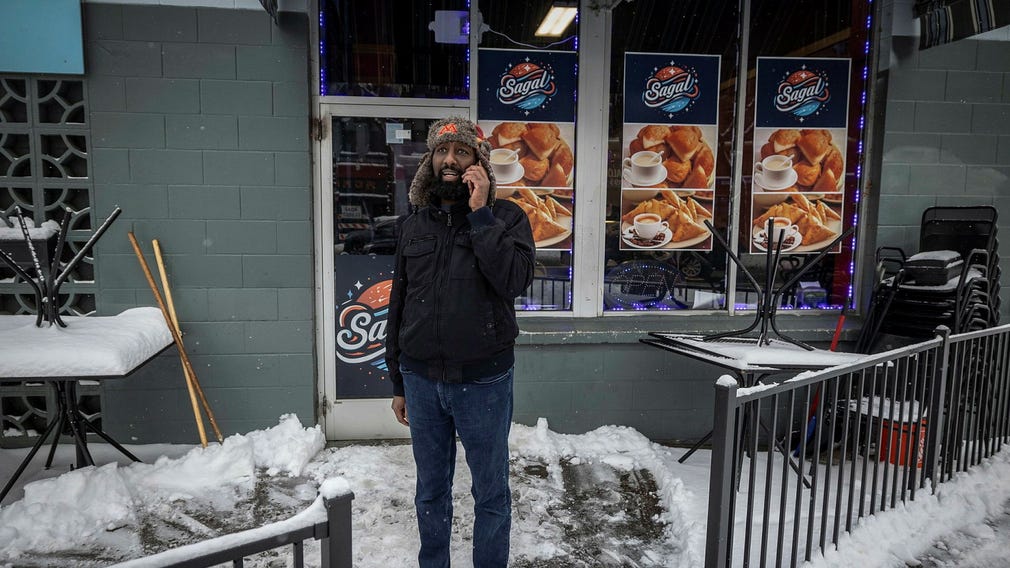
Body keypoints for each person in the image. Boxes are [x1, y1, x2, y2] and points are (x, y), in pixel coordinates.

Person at [386, 116, 535, 568]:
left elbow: (513, 281)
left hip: (483, 383)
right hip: (421, 380)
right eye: (441, 151)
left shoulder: (507, 218)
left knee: (490, 492)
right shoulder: (414, 225)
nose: (450, 160)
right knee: (430, 491)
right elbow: (400, 304)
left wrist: (481, 212)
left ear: (479, 163)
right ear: (430, 161)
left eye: (461, 152)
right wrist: (398, 381)